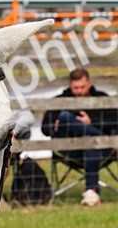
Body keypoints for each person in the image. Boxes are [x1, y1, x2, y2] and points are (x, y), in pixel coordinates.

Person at [41, 67, 118, 206]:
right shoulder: (59, 100)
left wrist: (91, 122)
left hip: (98, 150)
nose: (79, 91)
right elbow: (45, 128)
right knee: (64, 117)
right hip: (69, 150)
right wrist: (56, 126)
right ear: (70, 86)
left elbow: (115, 123)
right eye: (76, 88)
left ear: (89, 83)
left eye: (82, 87)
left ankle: (91, 193)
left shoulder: (102, 98)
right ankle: (92, 191)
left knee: (89, 141)